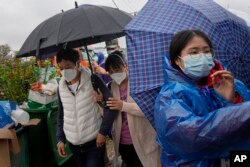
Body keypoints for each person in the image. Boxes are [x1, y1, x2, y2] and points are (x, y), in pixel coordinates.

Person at [154, 29, 250, 167]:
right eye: (193, 52)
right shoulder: (170, 96)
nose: (202, 56)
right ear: (177, 60)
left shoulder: (233, 83)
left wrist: (231, 100)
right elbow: (190, 137)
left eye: (206, 51)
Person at [94, 51, 161, 167]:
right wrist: (101, 102)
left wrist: (124, 106)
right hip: (123, 142)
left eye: (117, 69)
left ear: (125, 65)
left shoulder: (140, 83)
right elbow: (107, 114)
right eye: (111, 72)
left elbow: (150, 109)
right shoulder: (110, 87)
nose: (115, 74)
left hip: (143, 140)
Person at [56, 48, 117, 167]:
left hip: (95, 143)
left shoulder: (93, 80)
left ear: (77, 64)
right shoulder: (61, 88)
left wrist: (102, 132)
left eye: (68, 67)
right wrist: (60, 139)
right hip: (73, 145)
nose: (65, 71)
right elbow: (61, 115)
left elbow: (111, 105)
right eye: (61, 68)